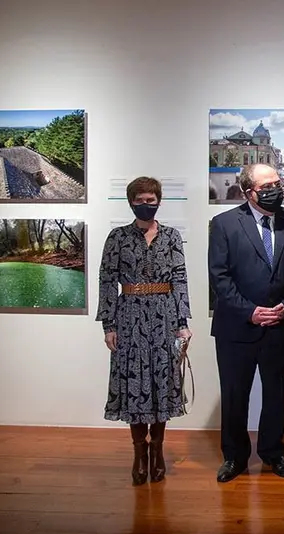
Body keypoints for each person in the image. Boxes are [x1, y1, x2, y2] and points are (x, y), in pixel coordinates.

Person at [208, 163, 284, 483]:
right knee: (234, 396)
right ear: (248, 192)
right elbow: (219, 276)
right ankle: (235, 457)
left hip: (282, 325)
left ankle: (273, 452)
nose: (275, 190)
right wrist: (250, 311)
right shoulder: (224, 224)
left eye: (277, 184)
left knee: (277, 395)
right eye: (266, 186)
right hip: (236, 329)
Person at [97, 176, 192, 486]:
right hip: (129, 317)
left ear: (159, 201)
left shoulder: (172, 236)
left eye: (151, 200)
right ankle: (139, 452)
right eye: (140, 200)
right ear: (131, 202)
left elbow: (180, 279)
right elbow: (107, 281)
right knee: (134, 381)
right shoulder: (117, 237)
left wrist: (183, 323)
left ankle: (158, 450)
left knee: (162, 381)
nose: (145, 205)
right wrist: (109, 325)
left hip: (165, 317)